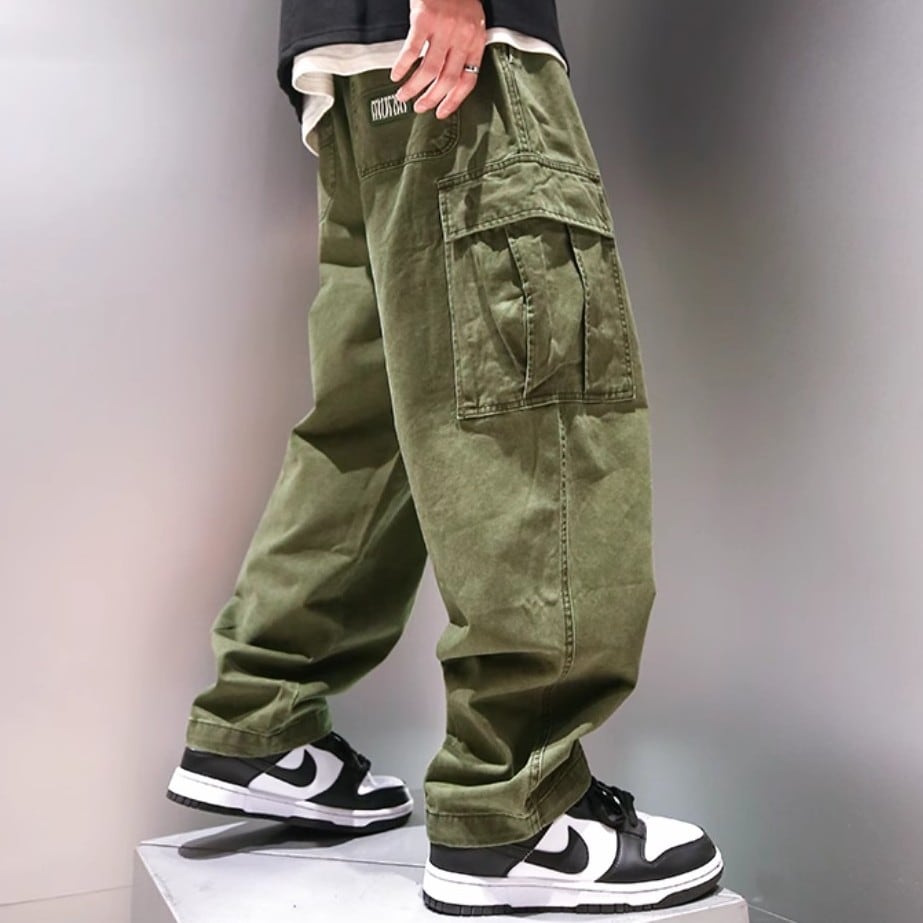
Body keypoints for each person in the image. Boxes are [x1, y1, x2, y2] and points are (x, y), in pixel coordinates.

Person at [166, 0, 725, 914]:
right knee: (534, 413)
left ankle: (260, 716)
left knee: (375, 422)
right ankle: (516, 803)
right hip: (456, 55)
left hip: (353, 70)